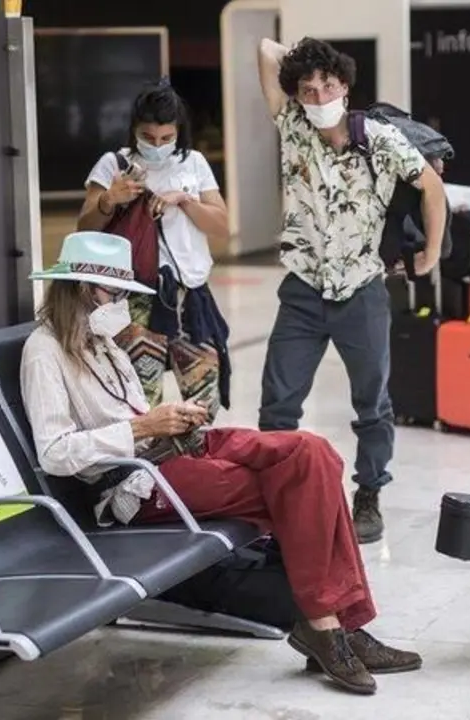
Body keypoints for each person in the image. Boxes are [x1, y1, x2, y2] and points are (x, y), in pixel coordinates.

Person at [21, 232, 422, 696]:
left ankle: (334, 628)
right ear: (82, 288)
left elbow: (133, 415)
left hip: (167, 451)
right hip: (133, 484)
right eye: (115, 293)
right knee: (301, 486)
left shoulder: (102, 344)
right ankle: (334, 628)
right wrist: (142, 427)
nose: (122, 304)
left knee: (315, 454)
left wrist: (169, 420)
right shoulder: (44, 352)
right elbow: (55, 452)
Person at [254, 37, 448, 545]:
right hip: (302, 289)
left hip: (361, 289)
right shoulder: (292, 127)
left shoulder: (379, 139)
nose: (319, 97)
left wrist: (431, 252)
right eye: (308, 90)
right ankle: (276, 495)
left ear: (345, 86)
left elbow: (431, 187)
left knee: (372, 403)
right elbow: (266, 49)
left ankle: (369, 493)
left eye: (328, 86)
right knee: (278, 404)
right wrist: (305, 62)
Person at [77, 81, 231, 462]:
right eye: (148, 137)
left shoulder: (194, 163)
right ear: (134, 129)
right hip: (135, 300)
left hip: (190, 297)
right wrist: (110, 199)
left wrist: (185, 200)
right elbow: (84, 227)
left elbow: (221, 224)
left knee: (204, 398)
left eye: (166, 137)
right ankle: (149, 476)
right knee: (141, 401)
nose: (157, 144)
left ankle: (191, 470)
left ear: (179, 131)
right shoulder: (113, 165)